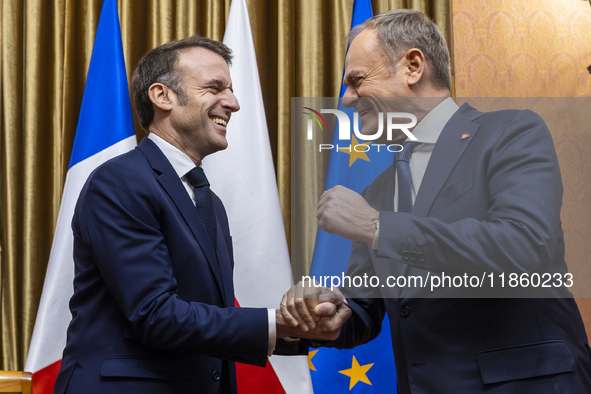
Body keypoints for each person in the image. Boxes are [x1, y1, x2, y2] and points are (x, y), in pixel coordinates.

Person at [281, 10, 591, 393]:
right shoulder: (378, 191)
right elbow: (365, 308)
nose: (346, 100)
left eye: (357, 81)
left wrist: (376, 227)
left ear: (413, 66)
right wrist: (322, 310)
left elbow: (526, 245)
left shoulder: (511, 132)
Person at [54, 35, 348, 394]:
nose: (234, 103)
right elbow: (156, 315)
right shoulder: (120, 182)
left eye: (232, 90)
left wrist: (302, 327)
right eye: (215, 88)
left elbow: (209, 317)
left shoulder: (209, 202)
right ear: (163, 96)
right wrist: (276, 323)